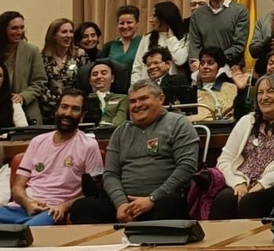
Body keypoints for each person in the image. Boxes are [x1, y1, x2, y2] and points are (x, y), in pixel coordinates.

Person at [0, 89, 104, 227]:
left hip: (51, 211)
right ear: (56, 110)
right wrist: (27, 203)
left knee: (22, 236)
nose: (67, 113)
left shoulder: (89, 146)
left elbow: (93, 195)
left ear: (82, 116)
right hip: (19, 208)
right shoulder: (38, 141)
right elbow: (17, 188)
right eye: (64, 107)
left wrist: (64, 206)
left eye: (75, 109)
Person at [76, 80, 201, 223]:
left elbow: (187, 167)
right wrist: (121, 204)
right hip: (125, 206)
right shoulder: (120, 131)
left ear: (160, 99)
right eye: (133, 101)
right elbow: (110, 174)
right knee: (82, 207)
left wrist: (152, 199)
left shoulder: (179, 123)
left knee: (170, 203)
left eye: (143, 99)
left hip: (162, 201)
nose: (137, 105)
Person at [209, 72, 274, 220]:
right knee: (223, 201)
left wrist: (263, 184)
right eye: (260, 93)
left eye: (271, 91)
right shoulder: (247, 120)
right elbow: (224, 160)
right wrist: (238, 183)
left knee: (251, 202)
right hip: (243, 181)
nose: (264, 97)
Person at [0, 11, 47, 124]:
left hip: (26, 111)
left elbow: (40, 82)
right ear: (3, 30)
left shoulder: (31, 51)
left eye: (22, 28)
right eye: (14, 28)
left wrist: (23, 96)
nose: (19, 32)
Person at [189, 0, 251, 67]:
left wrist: (214, 61)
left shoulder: (240, 11)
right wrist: (200, 63)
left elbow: (239, 46)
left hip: (232, 70)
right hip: (205, 70)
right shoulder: (197, 15)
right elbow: (194, 45)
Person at [38, 17, 85, 120]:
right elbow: (40, 86)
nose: (68, 35)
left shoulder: (80, 56)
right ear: (53, 36)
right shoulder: (41, 58)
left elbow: (84, 83)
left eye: (71, 32)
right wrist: (58, 106)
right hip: (47, 112)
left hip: (73, 111)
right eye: (64, 32)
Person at [142, 0, 190, 75]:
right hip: (148, 84)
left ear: (165, 18)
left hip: (172, 84)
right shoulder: (147, 38)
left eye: (154, 16)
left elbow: (180, 60)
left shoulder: (185, 38)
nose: (150, 20)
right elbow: (137, 66)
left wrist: (171, 38)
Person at [193, 47, 239, 122]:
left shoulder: (231, 89)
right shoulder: (191, 90)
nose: (205, 67)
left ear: (220, 68)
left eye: (210, 63)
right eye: (202, 63)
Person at [102, 6, 143, 78]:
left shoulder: (144, 42)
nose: (125, 26)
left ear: (137, 24)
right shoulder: (109, 46)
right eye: (121, 23)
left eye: (129, 22)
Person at [83, 61, 127, 127]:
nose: (99, 76)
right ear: (90, 81)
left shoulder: (122, 99)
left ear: (112, 78)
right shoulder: (83, 100)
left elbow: (118, 124)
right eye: (95, 74)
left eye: (104, 73)